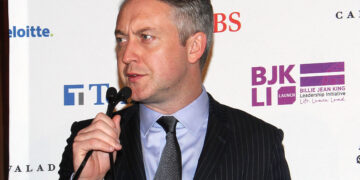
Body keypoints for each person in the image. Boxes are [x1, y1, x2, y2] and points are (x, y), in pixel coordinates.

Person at [59, 0, 291, 179]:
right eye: (121, 39)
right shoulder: (90, 142)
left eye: (146, 37)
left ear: (194, 47)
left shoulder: (258, 142)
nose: (126, 55)